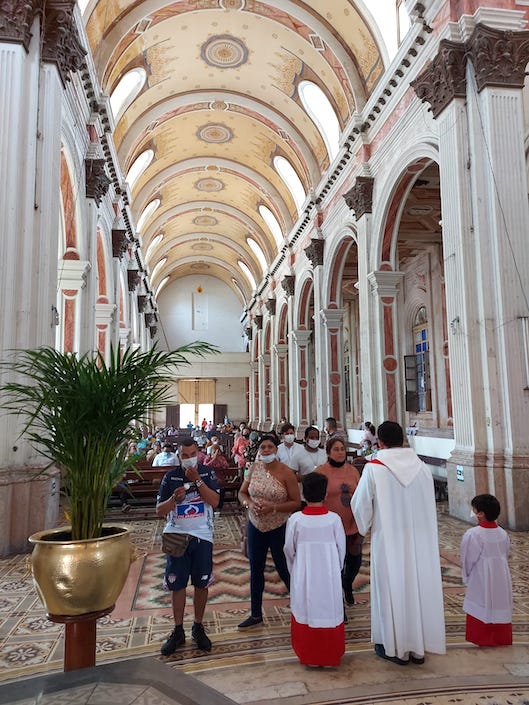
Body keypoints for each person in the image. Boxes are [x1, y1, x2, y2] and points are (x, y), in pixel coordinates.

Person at [351, 420, 445, 665]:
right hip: (419, 541)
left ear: (379, 442)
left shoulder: (375, 468)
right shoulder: (422, 467)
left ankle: (395, 648)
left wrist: (365, 527)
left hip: (388, 539)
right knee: (417, 586)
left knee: (390, 588)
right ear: (402, 439)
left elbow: (360, 506)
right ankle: (418, 648)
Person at [156, 437, 220, 655]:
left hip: (202, 534)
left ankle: (198, 626)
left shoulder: (207, 473)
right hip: (176, 534)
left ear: (199, 454)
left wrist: (198, 481)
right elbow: (159, 510)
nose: (190, 459)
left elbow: (215, 502)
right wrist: (174, 500)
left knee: (202, 583)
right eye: (185, 455)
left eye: (193, 454)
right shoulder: (170, 476)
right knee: (177, 584)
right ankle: (177, 630)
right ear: (178, 456)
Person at [237, 433, 301, 629]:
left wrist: (273, 508)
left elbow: (296, 502)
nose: (265, 451)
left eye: (269, 447)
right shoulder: (254, 468)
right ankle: (255, 613)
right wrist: (249, 504)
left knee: (283, 568)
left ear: (276, 449)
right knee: (256, 569)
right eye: (262, 448)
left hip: (278, 526)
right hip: (256, 525)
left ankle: (300, 608)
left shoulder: (286, 472)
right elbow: (242, 492)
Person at [284, 472, 346, 667]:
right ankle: (329, 656)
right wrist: (336, 570)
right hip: (329, 575)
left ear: (303, 494)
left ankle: (308, 656)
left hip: (303, 574)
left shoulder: (295, 520)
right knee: (329, 609)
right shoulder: (334, 520)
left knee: (306, 609)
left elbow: (289, 550)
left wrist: (295, 571)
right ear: (326, 494)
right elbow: (341, 550)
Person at [460, 494, 512, 646]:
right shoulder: (503, 533)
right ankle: (499, 638)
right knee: (499, 602)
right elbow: (505, 553)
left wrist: (467, 576)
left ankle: (482, 638)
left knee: (481, 602)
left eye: (474, 509)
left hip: (481, 576)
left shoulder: (473, 534)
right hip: (501, 575)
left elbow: (468, 559)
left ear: (481, 513)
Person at [316, 437, 362, 605]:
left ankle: (347, 584)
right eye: (336, 449)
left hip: (352, 522)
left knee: (355, 560)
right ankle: (336, 601)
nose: (340, 452)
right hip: (331, 525)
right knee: (334, 563)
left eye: (342, 449)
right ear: (328, 452)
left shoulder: (352, 471)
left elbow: (361, 495)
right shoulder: (321, 472)